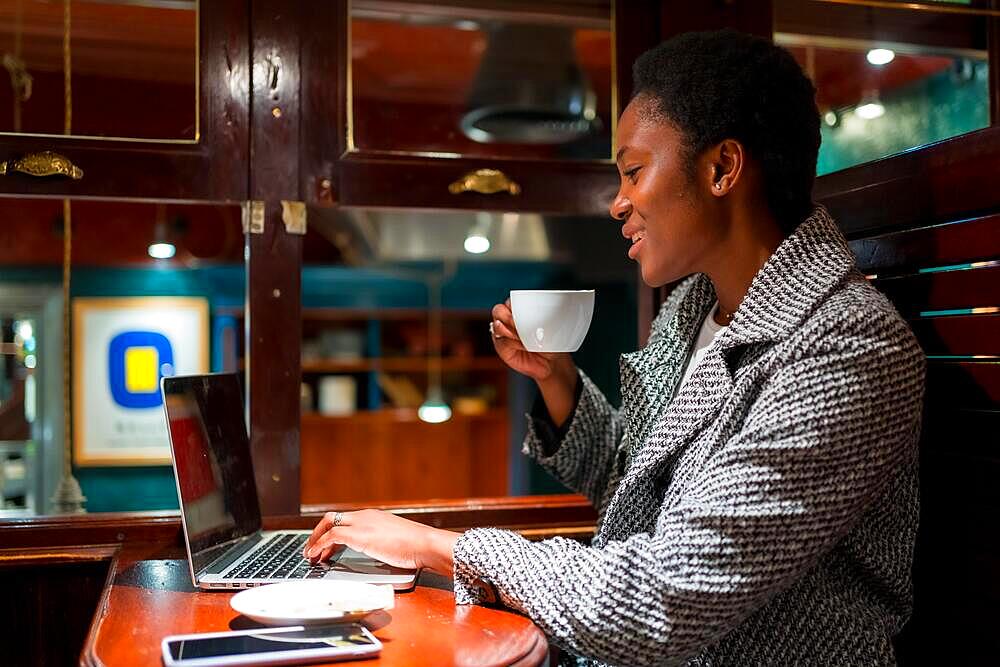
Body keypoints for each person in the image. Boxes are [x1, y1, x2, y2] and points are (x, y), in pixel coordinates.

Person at [304, 29, 925, 666]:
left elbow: (665, 597)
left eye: (632, 172)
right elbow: (635, 488)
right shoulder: (693, 306)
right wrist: (556, 380)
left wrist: (438, 547)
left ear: (721, 168)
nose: (618, 203)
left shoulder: (849, 348)